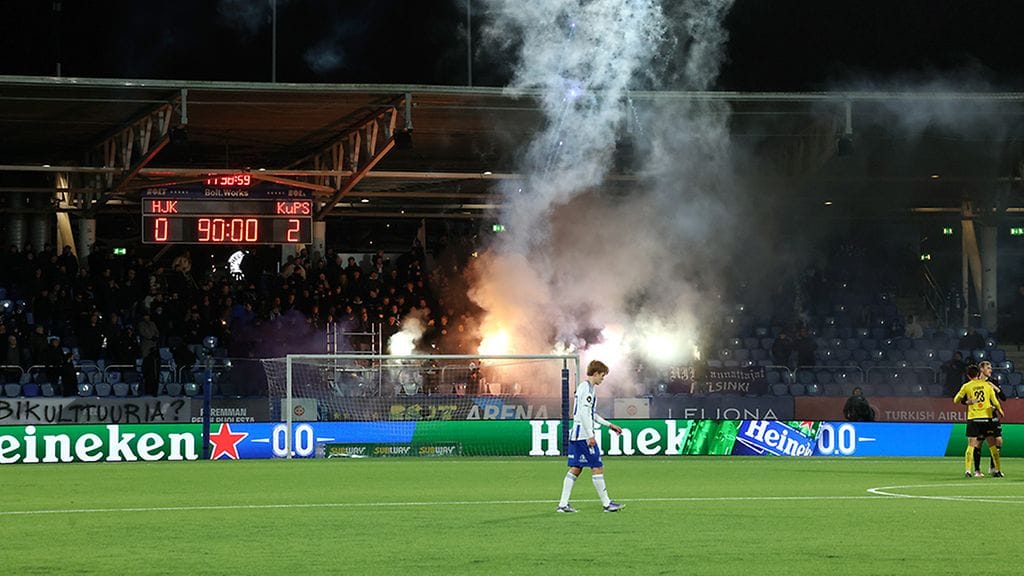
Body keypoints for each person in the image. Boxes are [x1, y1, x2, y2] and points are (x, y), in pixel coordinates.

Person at [556, 360, 624, 513]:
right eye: (602, 375)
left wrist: (609, 425)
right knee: (597, 466)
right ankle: (607, 504)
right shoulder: (586, 389)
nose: (603, 378)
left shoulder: (588, 388)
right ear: (595, 373)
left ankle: (562, 504)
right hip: (582, 436)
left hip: (577, 434)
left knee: (576, 468)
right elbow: (583, 414)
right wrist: (590, 435)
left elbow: (591, 414)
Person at [953, 365, 1004, 478]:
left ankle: (968, 471)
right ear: (977, 374)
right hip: (987, 418)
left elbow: (956, 400)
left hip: (974, 419)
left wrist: (967, 402)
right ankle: (997, 470)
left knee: (971, 445)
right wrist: (1000, 410)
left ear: (968, 376)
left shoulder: (966, 386)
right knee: (992, 446)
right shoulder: (986, 385)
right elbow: (995, 401)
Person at [971, 361, 1007, 476]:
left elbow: (1003, 398)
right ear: (981, 369)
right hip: (980, 416)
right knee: (979, 442)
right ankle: (977, 470)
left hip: (993, 416)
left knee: (998, 440)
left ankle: (993, 467)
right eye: (988, 368)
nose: (990, 370)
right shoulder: (974, 382)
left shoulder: (993, 382)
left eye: (991, 368)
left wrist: (995, 388)